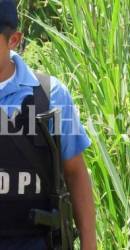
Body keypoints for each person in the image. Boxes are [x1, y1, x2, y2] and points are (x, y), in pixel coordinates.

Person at [0, 0, 96, 249]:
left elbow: (75, 172)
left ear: (14, 40)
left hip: (37, 240)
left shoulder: (50, 95)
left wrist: (89, 242)